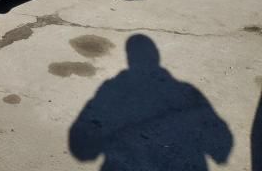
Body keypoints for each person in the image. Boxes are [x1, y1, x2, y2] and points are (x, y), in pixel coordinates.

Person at [69, 34, 233, 170]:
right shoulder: (187, 91)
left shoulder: (111, 89)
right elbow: (221, 139)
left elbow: (81, 146)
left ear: (129, 57)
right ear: (156, 55)